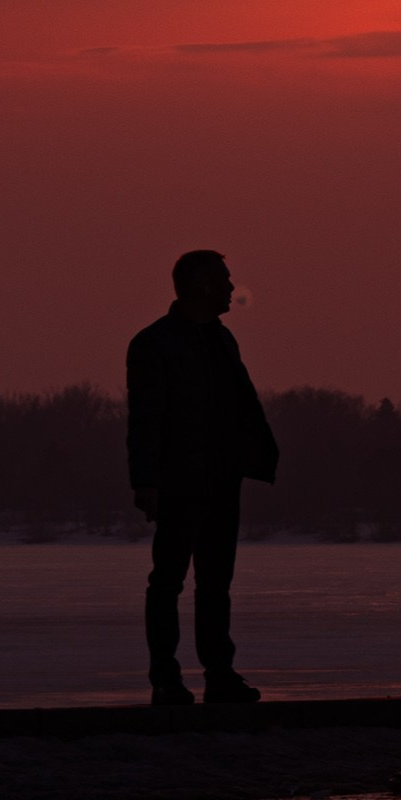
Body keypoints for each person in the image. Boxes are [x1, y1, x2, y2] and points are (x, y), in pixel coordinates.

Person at [126, 248, 279, 708]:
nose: (233, 288)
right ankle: (166, 679)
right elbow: (145, 418)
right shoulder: (154, 344)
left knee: (215, 583)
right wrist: (147, 481)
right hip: (178, 482)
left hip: (221, 480)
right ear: (202, 286)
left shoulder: (221, 339)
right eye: (225, 280)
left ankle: (219, 674)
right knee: (168, 581)